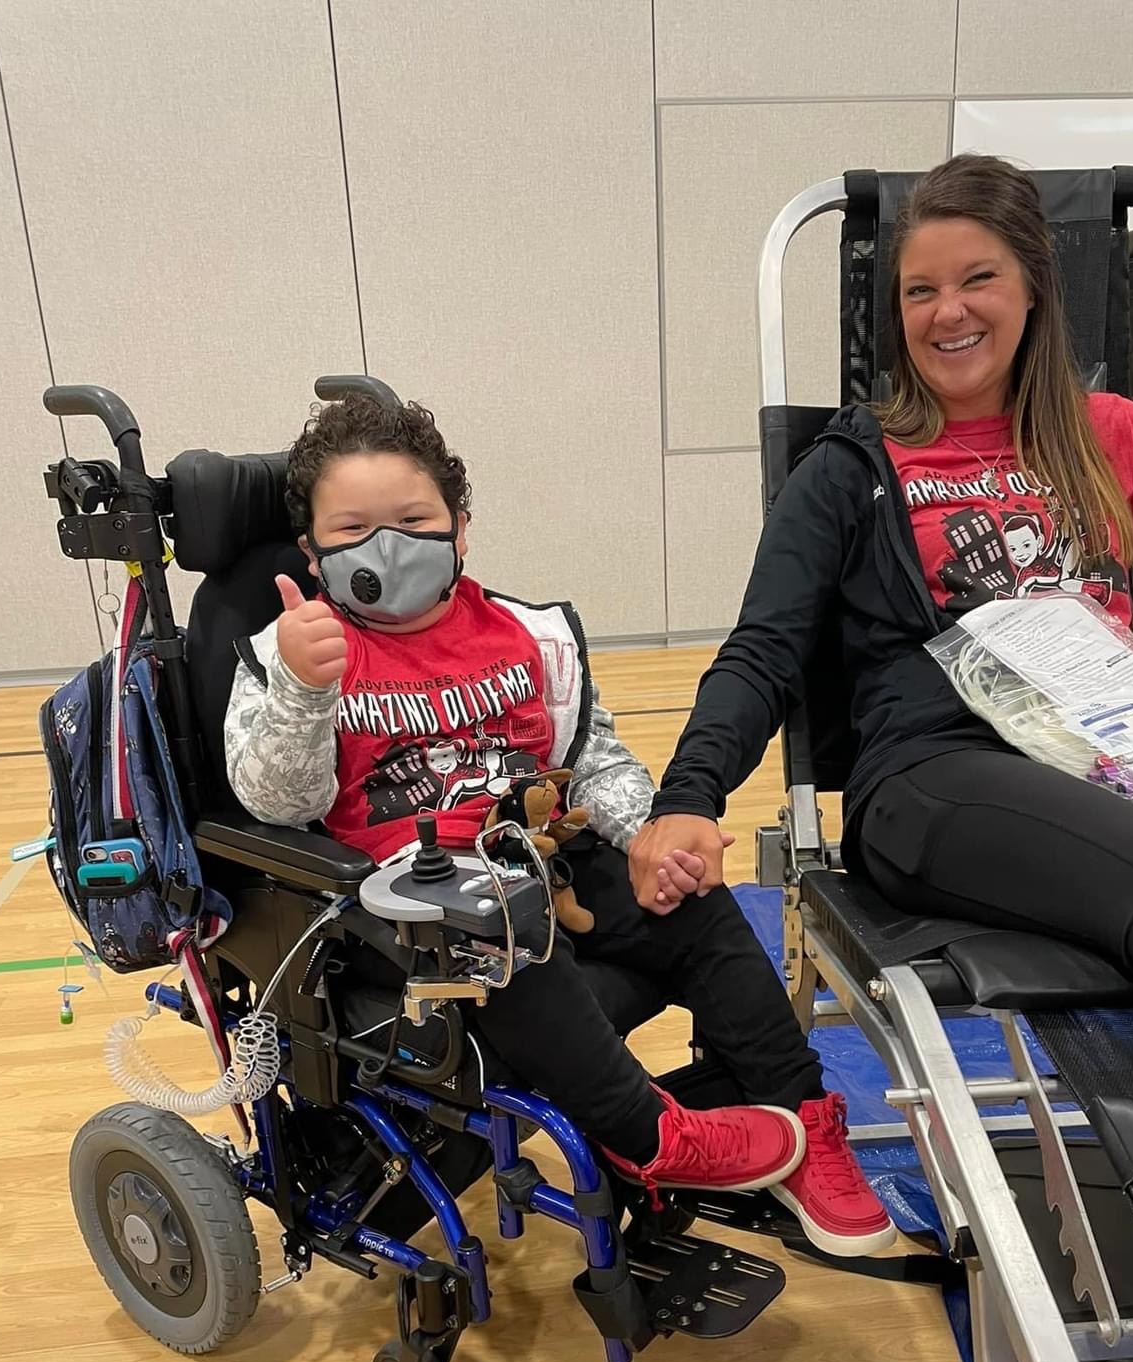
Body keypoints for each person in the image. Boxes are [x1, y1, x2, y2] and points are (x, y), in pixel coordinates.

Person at [632, 154, 1133, 1199]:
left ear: (1033, 286)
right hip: (940, 774)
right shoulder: (849, 469)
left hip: (1125, 749)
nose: (947, 311)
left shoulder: (1112, 438)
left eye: (977, 280)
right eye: (920, 290)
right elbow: (764, 649)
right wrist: (686, 800)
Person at [224, 392, 896, 1255]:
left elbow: (593, 760)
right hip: (414, 910)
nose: (386, 545)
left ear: (459, 527)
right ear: (315, 554)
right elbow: (273, 803)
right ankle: (653, 1139)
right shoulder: (290, 653)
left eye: (413, 518)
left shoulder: (526, 636)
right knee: (506, 940)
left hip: (548, 855)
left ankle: (805, 1123)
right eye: (352, 528)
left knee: (695, 905)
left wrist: (650, 833)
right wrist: (302, 687)